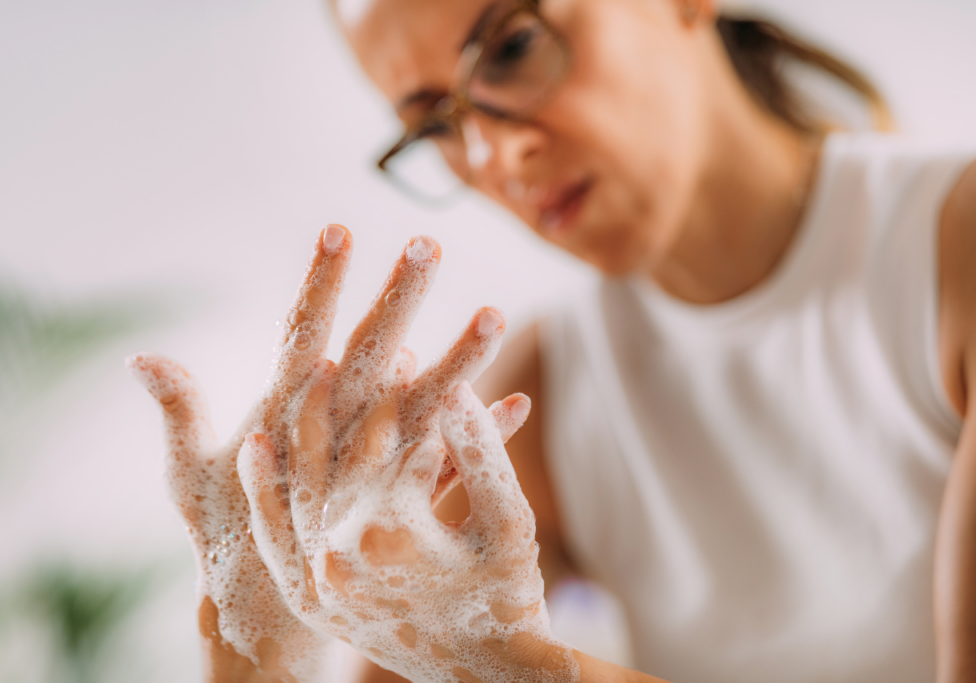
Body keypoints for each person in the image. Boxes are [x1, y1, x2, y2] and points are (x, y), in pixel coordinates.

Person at [128, 0, 976, 681]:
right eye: (435, 126)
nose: (495, 150)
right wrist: (253, 636)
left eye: (511, 46)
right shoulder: (546, 387)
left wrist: (526, 671)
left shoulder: (951, 247)